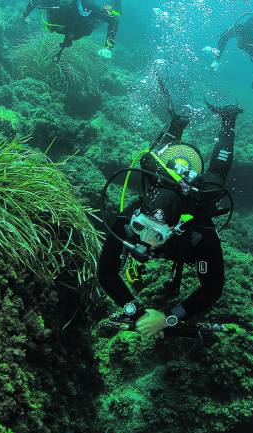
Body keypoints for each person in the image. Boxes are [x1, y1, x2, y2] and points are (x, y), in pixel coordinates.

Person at [97, 100, 242, 337]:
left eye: (157, 234)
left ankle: (228, 120)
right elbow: (105, 273)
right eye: (140, 227)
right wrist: (137, 314)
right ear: (137, 216)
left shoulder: (198, 233)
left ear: (176, 229)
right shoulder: (128, 218)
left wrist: (168, 318)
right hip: (163, 177)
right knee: (155, 163)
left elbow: (212, 289)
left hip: (194, 198)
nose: (144, 239)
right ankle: (177, 125)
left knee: (215, 177)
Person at [23, 0, 122, 58]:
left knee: (98, 20)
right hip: (61, 27)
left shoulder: (85, 6)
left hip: (81, 28)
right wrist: (25, 16)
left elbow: (113, 19)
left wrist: (107, 47)